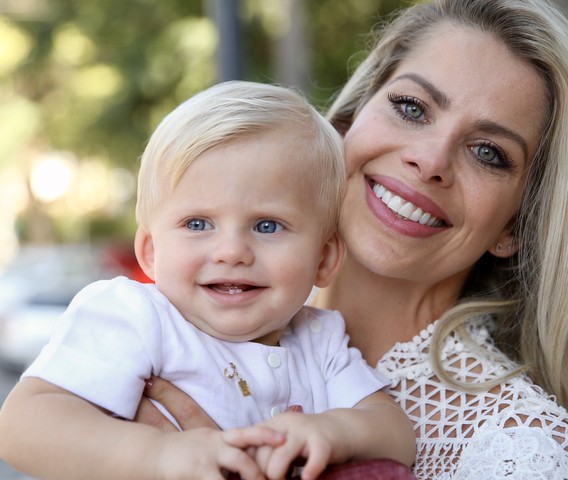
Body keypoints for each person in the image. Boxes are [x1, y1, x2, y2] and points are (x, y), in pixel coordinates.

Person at [128, 1, 568, 478]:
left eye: (488, 152)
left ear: (515, 226)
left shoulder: (524, 449)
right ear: (346, 123)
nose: (430, 160)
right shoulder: (165, 322)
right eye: (411, 107)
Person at [0, 81, 417, 480]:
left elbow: (396, 435)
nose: (231, 251)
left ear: (324, 259)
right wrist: (158, 456)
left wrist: (334, 432)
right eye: (197, 223)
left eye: (268, 226)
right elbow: (22, 425)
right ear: (150, 251)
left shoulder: (319, 341)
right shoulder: (136, 317)